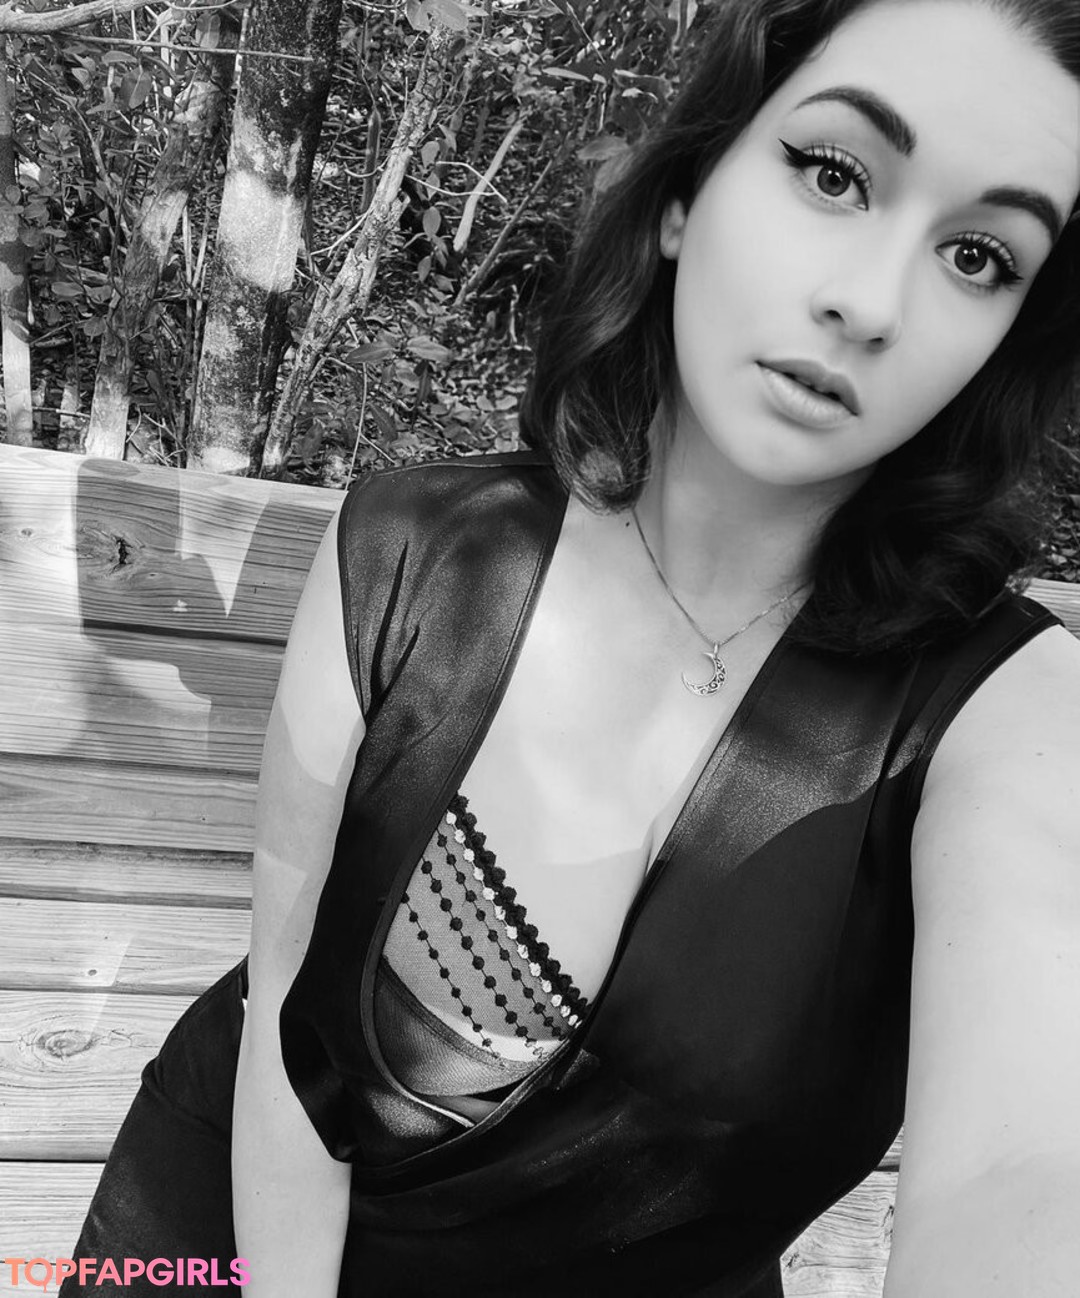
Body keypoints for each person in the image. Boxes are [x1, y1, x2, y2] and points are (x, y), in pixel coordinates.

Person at [64, 0, 1080, 1294]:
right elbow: (285, 1016)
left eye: (980, 255)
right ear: (686, 193)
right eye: (834, 172)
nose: (872, 303)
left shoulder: (1007, 719)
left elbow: (1024, 1171)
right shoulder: (412, 547)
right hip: (236, 1219)